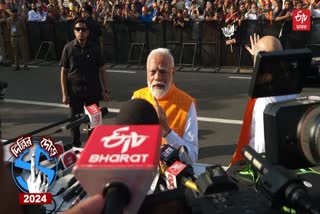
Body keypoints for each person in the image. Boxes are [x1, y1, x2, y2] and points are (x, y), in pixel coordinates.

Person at [230, 34, 299, 165]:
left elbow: (261, 147)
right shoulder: (290, 89)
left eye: (258, 56)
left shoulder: (264, 100)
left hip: (258, 166)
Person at [132, 48, 198, 162]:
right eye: (152, 72)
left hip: (171, 175)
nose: (157, 77)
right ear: (147, 72)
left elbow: (192, 157)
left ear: (173, 73)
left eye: (163, 72)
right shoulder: (137, 97)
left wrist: (167, 132)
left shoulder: (187, 104)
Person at [60, 18, 109, 148]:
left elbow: (102, 69)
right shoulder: (68, 48)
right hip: (75, 92)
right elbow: (64, 72)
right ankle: (76, 145)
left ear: (88, 32)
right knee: (75, 119)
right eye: (78, 29)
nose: (81, 32)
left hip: (92, 90)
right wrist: (65, 93)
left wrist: (106, 90)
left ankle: (93, 144)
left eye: (84, 29)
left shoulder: (94, 48)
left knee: (94, 119)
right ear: (74, 32)